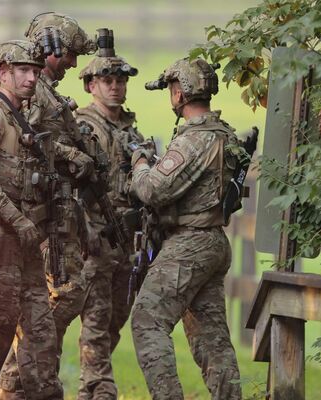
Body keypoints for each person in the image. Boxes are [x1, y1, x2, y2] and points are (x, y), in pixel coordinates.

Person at [0, 12, 97, 399]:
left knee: (54, 300)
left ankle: (28, 384)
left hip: (59, 210)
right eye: (69, 54)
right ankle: (13, 384)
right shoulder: (33, 92)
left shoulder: (47, 91)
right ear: (52, 49)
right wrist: (75, 156)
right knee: (60, 297)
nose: (73, 62)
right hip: (40, 214)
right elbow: (29, 141)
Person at [128, 57, 243, 400]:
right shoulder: (226, 134)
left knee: (147, 321)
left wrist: (140, 162)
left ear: (179, 93)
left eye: (170, 91)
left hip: (190, 244)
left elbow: (151, 190)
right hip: (213, 243)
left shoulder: (194, 140)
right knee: (212, 340)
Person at [0, 40, 63, 400]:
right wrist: (16, 220)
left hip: (26, 240)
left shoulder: (19, 116)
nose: (31, 78)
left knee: (41, 331)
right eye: (23, 71)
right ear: (3, 73)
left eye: (35, 71)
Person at [74, 49, 143, 399]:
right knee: (97, 320)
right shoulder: (83, 127)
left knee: (116, 318)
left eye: (120, 81)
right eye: (107, 81)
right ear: (91, 85)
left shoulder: (130, 128)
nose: (115, 87)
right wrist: (86, 232)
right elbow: (72, 187)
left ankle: (91, 386)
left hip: (126, 239)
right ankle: (98, 390)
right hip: (95, 237)